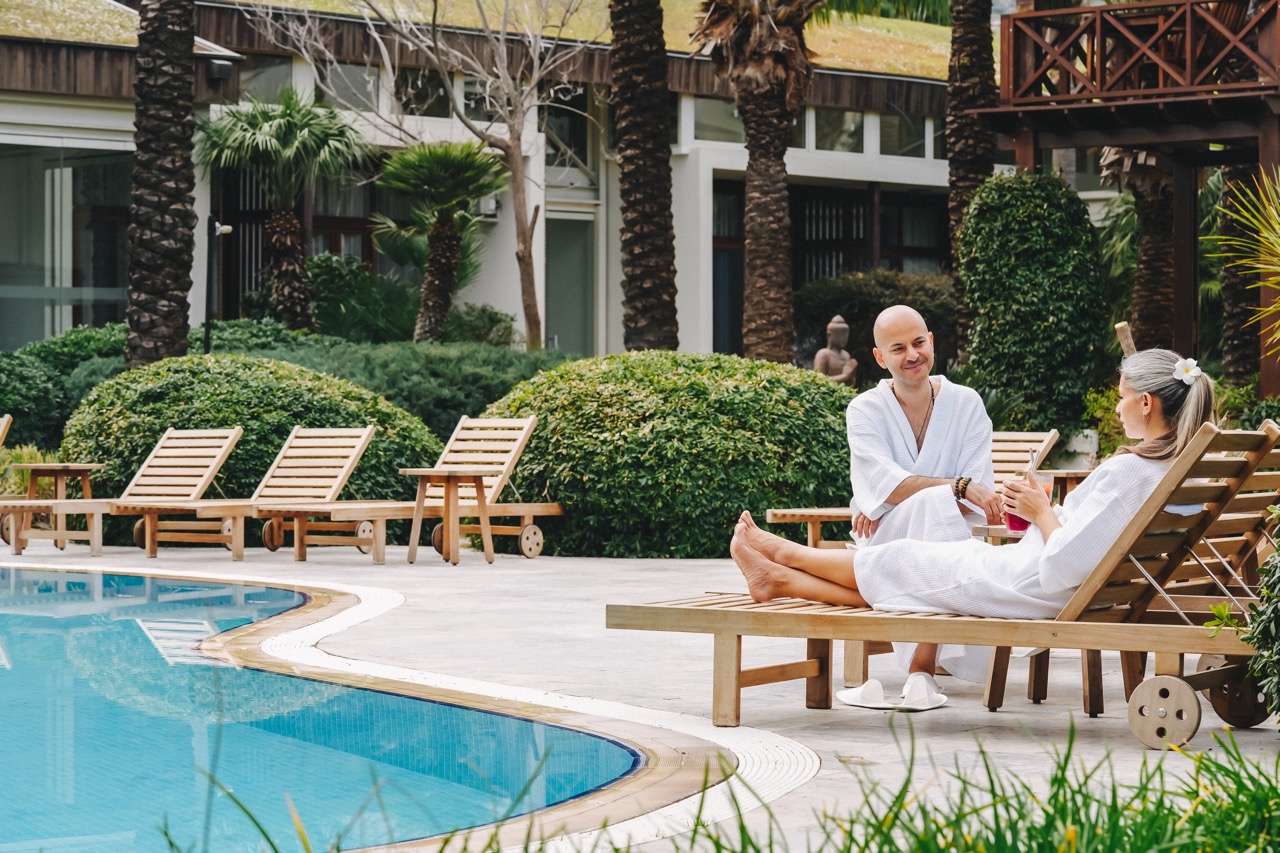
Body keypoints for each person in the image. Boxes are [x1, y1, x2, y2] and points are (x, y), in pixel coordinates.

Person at [731, 348, 1215, 708]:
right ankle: (779, 578)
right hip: (1043, 580)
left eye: (1122, 398)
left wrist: (1042, 513)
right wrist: (1045, 510)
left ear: (1148, 404)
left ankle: (782, 553)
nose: (1116, 408)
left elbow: (1067, 564)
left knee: (900, 558)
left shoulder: (1131, 471)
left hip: (1026, 586)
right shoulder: (1174, 474)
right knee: (913, 582)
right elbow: (1088, 545)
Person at [845, 305, 1003, 689]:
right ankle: (922, 669)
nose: (912, 355)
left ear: (932, 342)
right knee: (936, 504)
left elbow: (975, 492)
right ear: (880, 358)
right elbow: (885, 485)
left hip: (954, 534)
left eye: (918, 343)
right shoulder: (864, 409)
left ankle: (923, 665)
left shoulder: (966, 403)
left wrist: (892, 498)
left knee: (935, 508)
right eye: (898, 349)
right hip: (886, 536)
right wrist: (953, 486)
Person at [814, 315, 858, 386]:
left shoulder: (846, 355)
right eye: (841, 335)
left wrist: (851, 375)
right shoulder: (823, 354)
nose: (844, 338)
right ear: (830, 335)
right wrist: (844, 376)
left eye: (846, 335)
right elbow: (818, 381)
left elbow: (850, 384)